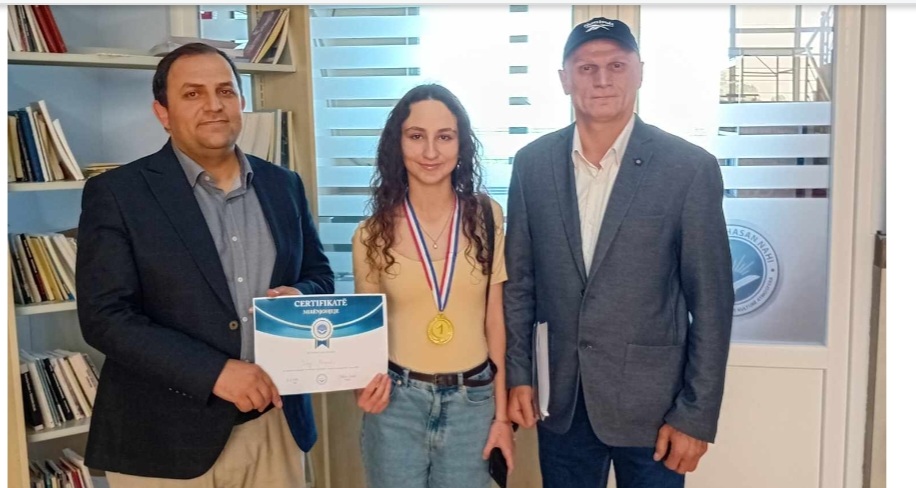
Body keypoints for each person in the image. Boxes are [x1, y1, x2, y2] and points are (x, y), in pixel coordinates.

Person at [75, 42, 334, 487]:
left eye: (225, 91)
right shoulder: (118, 194)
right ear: (162, 112)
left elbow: (320, 276)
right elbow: (105, 318)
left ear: (241, 101)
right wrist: (214, 372)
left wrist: (299, 295)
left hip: (275, 423)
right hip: (164, 439)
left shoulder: (284, 185)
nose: (214, 105)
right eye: (193, 93)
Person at [503, 17, 735, 488]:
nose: (602, 80)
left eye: (616, 65)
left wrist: (696, 414)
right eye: (586, 68)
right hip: (562, 402)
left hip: (656, 410)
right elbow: (520, 285)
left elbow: (712, 302)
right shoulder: (532, 165)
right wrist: (519, 374)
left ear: (640, 72)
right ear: (564, 79)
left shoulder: (688, 169)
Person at [351, 83, 515, 488]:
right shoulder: (370, 234)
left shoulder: (487, 217)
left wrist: (502, 417)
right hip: (397, 404)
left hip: (473, 402)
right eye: (416, 136)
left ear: (461, 146)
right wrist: (360, 387)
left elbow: (496, 322)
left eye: (444, 137)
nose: (430, 152)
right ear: (397, 144)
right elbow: (365, 336)